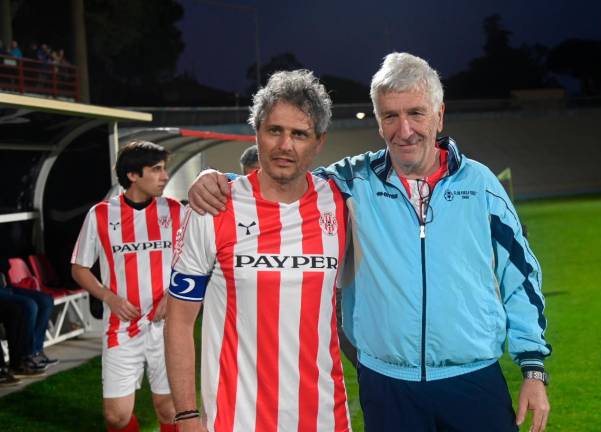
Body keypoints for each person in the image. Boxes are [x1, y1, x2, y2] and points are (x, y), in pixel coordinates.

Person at [189, 52, 551, 432]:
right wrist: (221, 181)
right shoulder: (352, 180)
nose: (404, 130)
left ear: (439, 115)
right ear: (378, 122)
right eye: (390, 116)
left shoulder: (480, 185)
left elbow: (520, 275)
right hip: (387, 385)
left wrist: (533, 368)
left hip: (473, 379)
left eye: (416, 113)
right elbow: (285, 180)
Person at [165, 70, 351, 432]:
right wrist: (186, 415)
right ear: (257, 133)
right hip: (236, 419)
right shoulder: (213, 206)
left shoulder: (342, 204)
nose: (285, 145)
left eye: (300, 134)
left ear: (319, 142)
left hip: (323, 418)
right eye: (274, 130)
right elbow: (179, 320)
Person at [71, 140, 182, 432]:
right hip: (120, 329)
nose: (165, 176)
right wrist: (109, 297)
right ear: (133, 175)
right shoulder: (100, 214)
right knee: (116, 417)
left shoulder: (175, 211)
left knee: (169, 410)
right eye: (156, 169)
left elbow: (194, 263)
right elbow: (79, 268)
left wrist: (173, 295)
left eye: (164, 169)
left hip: (166, 327)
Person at [0, 259, 58, 371]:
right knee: (29, 305)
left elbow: (5, 265)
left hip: (5, 286)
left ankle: (36, 351)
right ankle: (25, 357)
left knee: (45, 300)